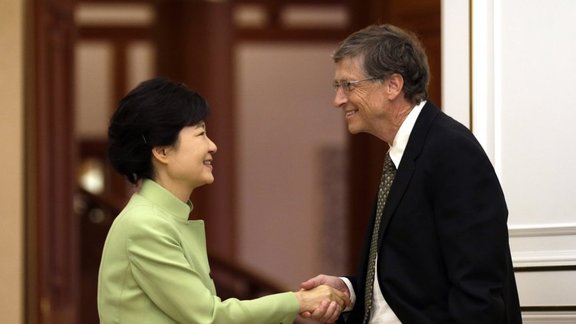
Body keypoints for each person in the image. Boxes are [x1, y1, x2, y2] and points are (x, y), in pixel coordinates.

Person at [300, 24, 522, 323]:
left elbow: (478, 285)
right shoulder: (402, 152)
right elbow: (413, 274)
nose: (338, 99)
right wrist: (350, 289)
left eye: (348, 85)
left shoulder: (451, 150)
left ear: (393, 85)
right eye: (337, 87)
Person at [98, 77, 349, 323]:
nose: (213, 146)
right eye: (200, 134)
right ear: (162, 151)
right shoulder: (146, 225)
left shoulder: (158, 218)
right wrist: (298, 301)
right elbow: (210, 316)